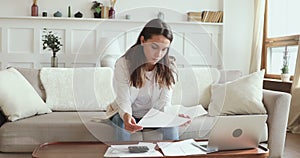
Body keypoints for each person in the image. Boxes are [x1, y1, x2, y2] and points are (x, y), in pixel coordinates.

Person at [106, 18, 190, 141]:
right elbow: (123, 99)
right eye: (154, 47)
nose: (158, 54)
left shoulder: (169, 67)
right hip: (127, 113)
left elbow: (164, 103)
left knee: (171, 127)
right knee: (122, 124)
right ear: (143, 41)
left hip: (153, 115)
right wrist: (127, 116)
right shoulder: (124, 64)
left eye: (164, 49)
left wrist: (174, 117)